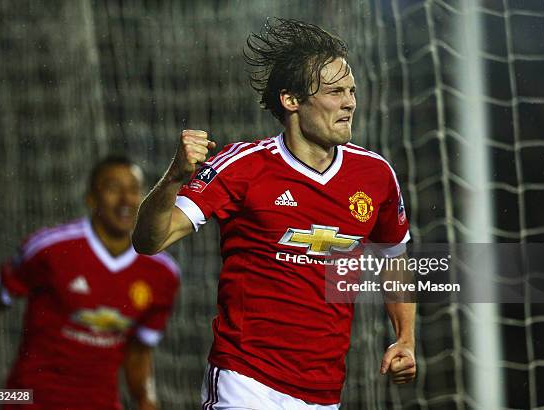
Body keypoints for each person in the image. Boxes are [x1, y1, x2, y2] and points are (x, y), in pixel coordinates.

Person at [133, 18, 415, 409]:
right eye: (335, 92)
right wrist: (172, 180)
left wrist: (405, 338)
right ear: (291, 100)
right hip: (244, 380)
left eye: (351, 90)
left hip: (323, 392)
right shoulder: (243, 166)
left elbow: (394, 260)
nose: (350, 102)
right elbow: (150, 241)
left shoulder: (376, 174)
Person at [0, 156, 181, 410]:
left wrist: (146, 400)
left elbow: (139, 351)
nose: (126, 200)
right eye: (113, 188)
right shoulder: (51, 248)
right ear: (91, 198)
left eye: (134, 190)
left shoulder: (162, 272)